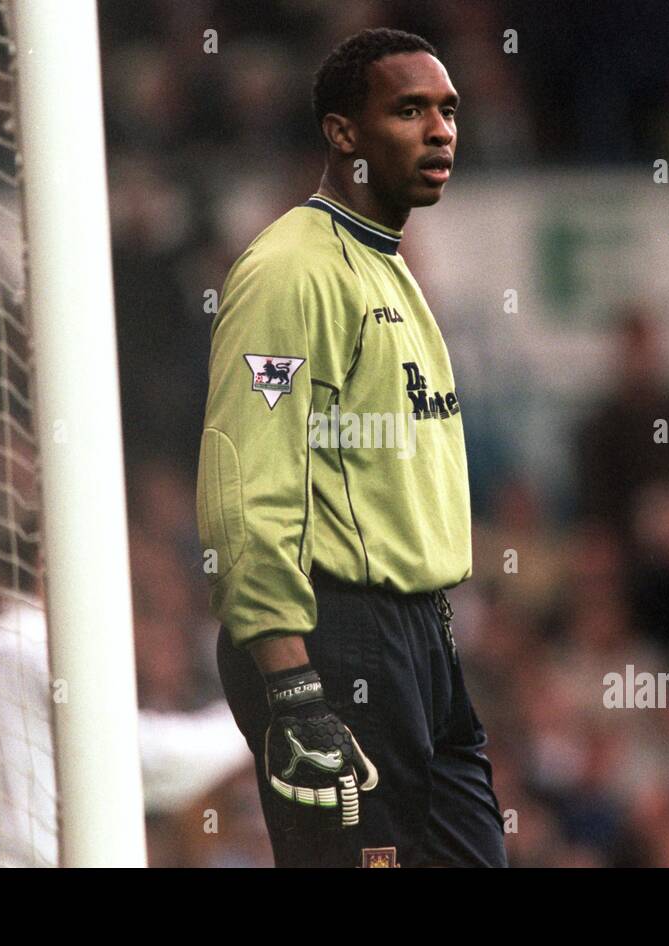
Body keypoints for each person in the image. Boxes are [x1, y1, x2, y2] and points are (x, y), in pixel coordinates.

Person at [196, 28, 506, 867]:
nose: (440, 131)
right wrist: (293, 688)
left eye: (448, 111)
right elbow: (242, 482)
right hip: (337, 636)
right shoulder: (290, 272)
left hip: (420, 643)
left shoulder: (388, 264)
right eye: (409, 111)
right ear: (343, 133)